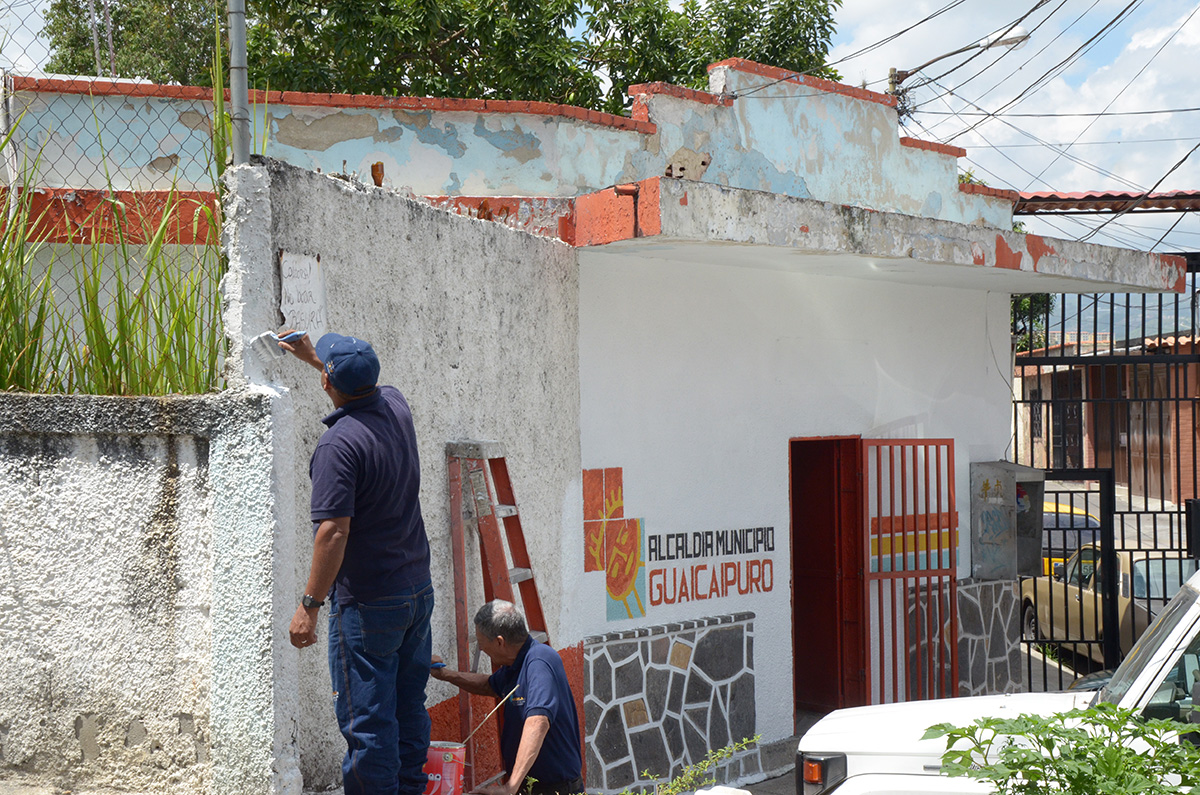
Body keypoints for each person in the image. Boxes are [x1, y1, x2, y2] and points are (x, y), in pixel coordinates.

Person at [280, 330, 434, 795]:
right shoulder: (397, 407)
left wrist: (309, 604)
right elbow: (363, 388)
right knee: (408, 709)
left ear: (328, 380)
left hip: (369, 604)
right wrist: (319, 364)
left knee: (368, 726)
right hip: (416, 593)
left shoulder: (337, 446)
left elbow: (333, 532)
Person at [431, 600, 582, 795]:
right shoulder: (515, 665)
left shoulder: (539, 661)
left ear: (500, 642)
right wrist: (445, 675)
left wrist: (510, 787)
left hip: (554, 789)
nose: (482, 650)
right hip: (528, 787)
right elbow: (490, 685)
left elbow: (538, 722)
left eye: (481, 644)